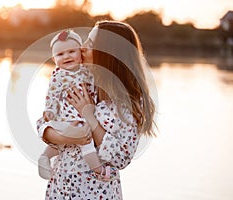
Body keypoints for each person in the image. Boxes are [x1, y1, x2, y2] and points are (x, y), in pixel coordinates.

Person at [36, 20, 156, 199]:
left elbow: (121, 158)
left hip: (95, 192)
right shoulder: (79, 78)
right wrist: (65, 138)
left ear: (107, 53)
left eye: (90, 44)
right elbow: (45, 123)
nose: (82, 48)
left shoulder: (130, 101)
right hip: (61, 186)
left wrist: (89, 117)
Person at [38, 29, 116, 181]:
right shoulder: (58, 76)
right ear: (54, 59)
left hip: (84, 117)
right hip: (70, 119)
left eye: (71, 52)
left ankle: (45, 157)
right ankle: (99, 170)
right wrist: (50, 111)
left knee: (63, 143)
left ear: (80, 53)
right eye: (60, 54)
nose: (66, 56)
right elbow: (52, 96)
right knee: (86, 143)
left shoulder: (89, 71)